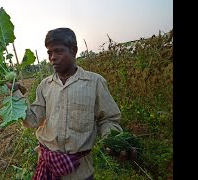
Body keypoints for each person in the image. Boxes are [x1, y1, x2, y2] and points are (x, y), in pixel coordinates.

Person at [7, 27, 136, 180]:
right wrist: (15, 95)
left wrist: (113, 139)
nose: (52, 57)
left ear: (74, 50)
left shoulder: (94, 82)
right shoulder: (45, 86)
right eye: (49, 53)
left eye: (58, 51)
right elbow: (33, 120)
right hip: (48, 165)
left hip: (80, 171)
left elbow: (108, 119)